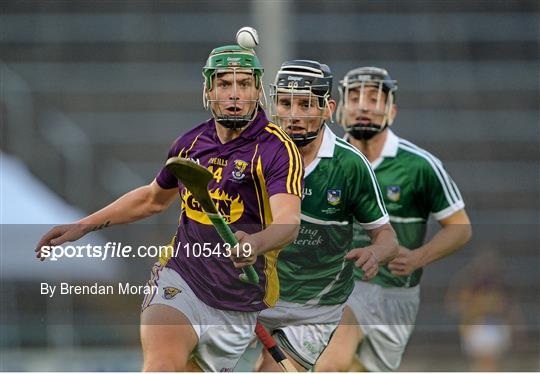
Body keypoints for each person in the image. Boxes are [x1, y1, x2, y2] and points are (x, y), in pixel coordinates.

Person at [35, 45, 303, 372]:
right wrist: (84, 225)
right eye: (224, 84)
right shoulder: (189, 144)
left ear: (258, 91)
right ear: (208, 91)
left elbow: (289, 222)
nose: (234, 94)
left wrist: (256, 243)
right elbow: (152, 199)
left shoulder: (277, 149)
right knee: (161, 365)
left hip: (239, 300)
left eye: (244, 84)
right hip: (181, 278)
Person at [315, 67, 472, 372]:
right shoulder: (324, 161)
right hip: (344, 287)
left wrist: (417, 258)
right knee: (330, 365)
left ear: (392, 111)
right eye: (355, 97)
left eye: (374, 98)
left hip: (398, 295)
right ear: (340, 108)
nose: (363, 106)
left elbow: (460, 228)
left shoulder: (419, 166)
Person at [249, 60, 398, 372]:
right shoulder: (254, 153)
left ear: (329, 108)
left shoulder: (349, 165)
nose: (294, 115)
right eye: (286, 103)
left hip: (313, 308)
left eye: (306, 104)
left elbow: (386, 237)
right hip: (251, 291)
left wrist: (375, 252)